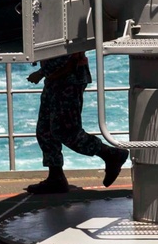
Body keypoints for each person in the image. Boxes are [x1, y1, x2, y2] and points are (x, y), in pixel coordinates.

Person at [26, 52, 128, 194]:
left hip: (69, 79)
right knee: (45, 131)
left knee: (66, 131)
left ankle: (110, 154)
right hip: (56, 78)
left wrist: (41, 72)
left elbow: (65, 52)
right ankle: (56, 178)